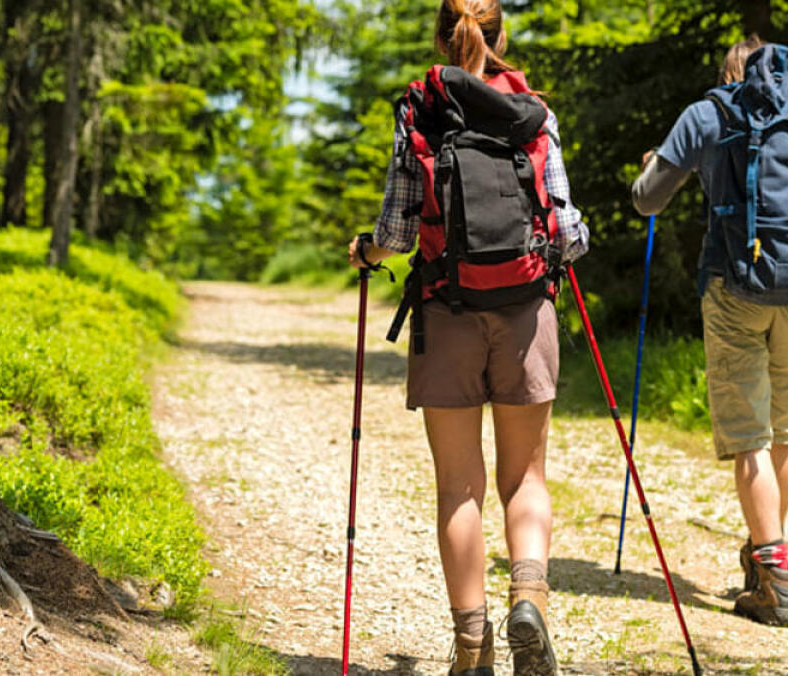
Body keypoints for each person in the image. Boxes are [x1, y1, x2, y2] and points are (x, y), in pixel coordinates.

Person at [347, 1, 589, 673]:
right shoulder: (533, 113)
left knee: (459, 487)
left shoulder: (419, 108)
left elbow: (397, 232)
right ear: (501, 36)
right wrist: (563, 247)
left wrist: (367, 251)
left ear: (440, 36)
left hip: (446, 310)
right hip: (525, 312)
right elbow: (567, 230)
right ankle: (530, 599)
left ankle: (472, 649)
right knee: (526, 478)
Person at [631, 36, 788, 627]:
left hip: (733, 286)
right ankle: (767, 552)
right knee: (783, 429)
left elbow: (647, 201)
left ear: (728, 71)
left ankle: (774, 577)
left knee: (749, 438)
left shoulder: (707, 113)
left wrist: (651, 169)